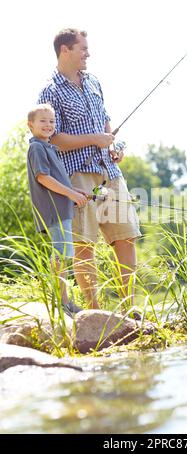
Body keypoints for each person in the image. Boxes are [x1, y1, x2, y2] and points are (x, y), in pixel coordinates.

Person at [38, 28, 141, 311]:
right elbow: (53, 137)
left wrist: (112, 146)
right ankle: (93, 312)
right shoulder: (51, 90)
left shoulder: (94, 81)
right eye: (82, 48)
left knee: (126, 235)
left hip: (109, 170)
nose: (88, 53)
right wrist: (94, 139)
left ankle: (129, 307)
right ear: (65, 51)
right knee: (85, 244)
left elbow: (105, 122)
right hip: (77, 175)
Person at [27, 103, 88, 315]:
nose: (48, 125)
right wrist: (71, 194)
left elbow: (57, 180)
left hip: (62, 209)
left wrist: (75, 191)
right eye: (42, 121)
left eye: (51, 121)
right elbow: (43, 177)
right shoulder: (37, 147)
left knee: (64, 254)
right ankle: (62, 303)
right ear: (30, 125)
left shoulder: (49, 148)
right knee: (61, 254)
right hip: (54, 210)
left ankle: (64, 301)